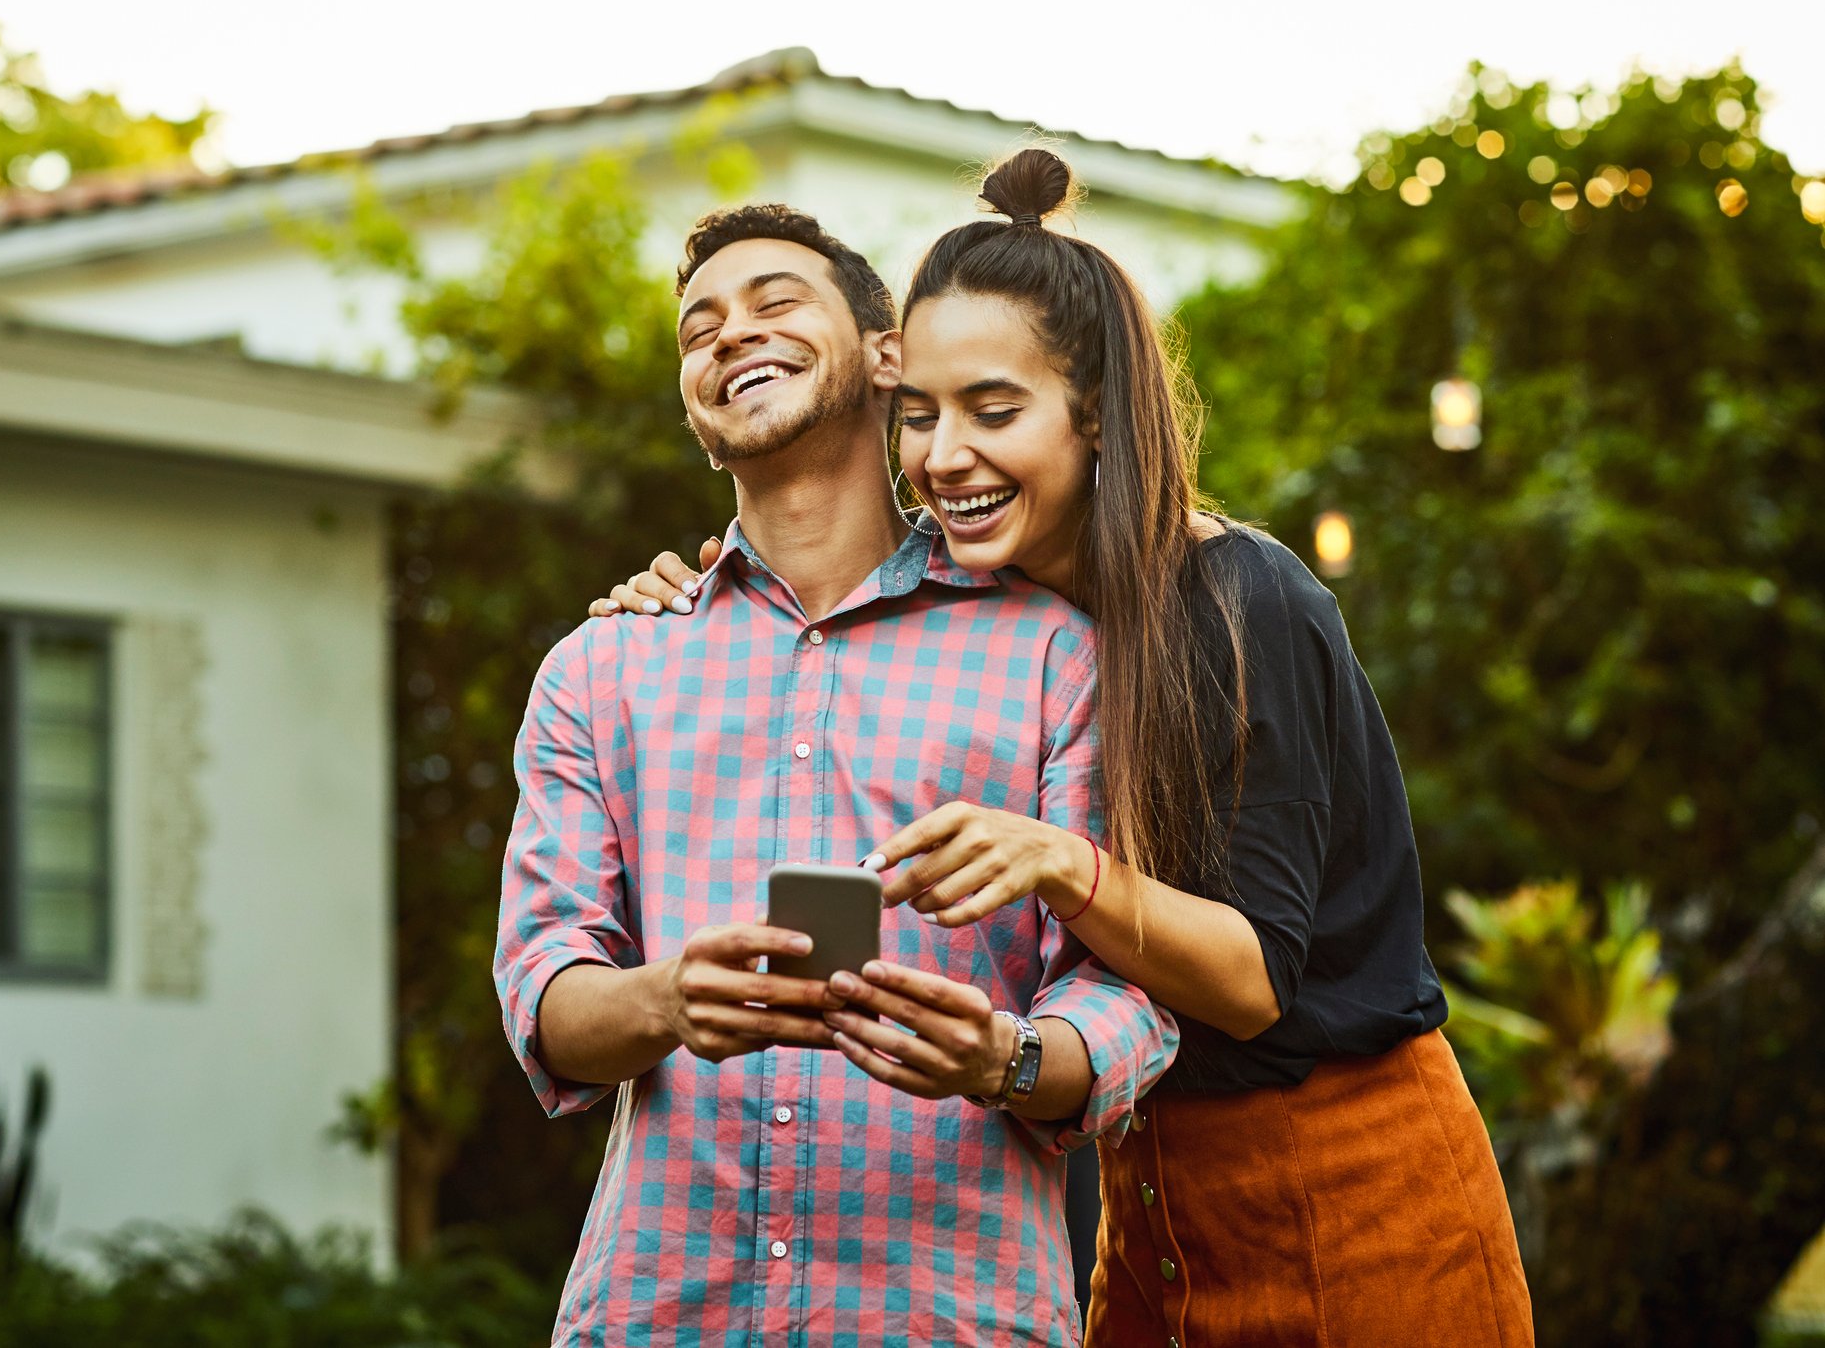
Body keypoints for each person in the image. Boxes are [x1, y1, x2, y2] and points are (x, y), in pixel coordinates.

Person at [592, 148, 1535, 1347]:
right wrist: (692, 593)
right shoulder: (1015, 620)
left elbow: (1252, 981)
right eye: (922, 416)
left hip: (1346, 1166)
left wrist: (1058, 863)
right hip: (1145, 1184)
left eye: (996, 411)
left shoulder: (1240, 597)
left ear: (1094, 415)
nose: (945, 457)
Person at [496, 201, 1177, 1345]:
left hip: (951, 1316)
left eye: (774, 302)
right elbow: (544, 993)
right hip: (658, 1314)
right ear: (696, 414)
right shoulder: (601, 668)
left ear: (885, 357)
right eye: (697, 327)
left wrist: (1004, 1058)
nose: (728, 333)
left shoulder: (1053, 654)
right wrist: (666, 998)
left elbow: (1126, 996)